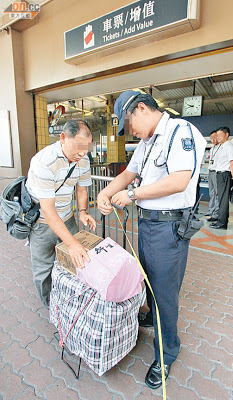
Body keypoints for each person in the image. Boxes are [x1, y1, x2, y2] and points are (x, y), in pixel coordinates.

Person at [97, 91, 206, 389]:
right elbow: (130, 173)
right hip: (147, 225)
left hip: (168, 228)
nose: (130, 132)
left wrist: (132, 195)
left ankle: (167, 351)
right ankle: (153, 317)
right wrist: (105, 193)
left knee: (164, 293)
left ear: (141, 108)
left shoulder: (179, 132)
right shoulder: (148, 142)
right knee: (147, 279)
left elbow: (179, 180)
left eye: (129, 124)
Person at [26, 120, 96, 309]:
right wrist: (71, 244)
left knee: (75, 263)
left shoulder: (83, 159)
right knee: (43, 269)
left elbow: (82, 189)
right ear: (63, 138)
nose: (81, 154)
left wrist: (82, 212)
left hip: (67, 218)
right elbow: (48, 211)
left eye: (85, 149)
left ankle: (71, 302)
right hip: (41, 223)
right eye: (77, 149)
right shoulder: (43, 162)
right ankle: (52, 309)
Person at [210, 126, 233, 230]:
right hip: (220, 175)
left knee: (223, 199)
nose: (218, 137)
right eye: (217, 136)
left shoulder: (228, 147)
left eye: (220, 135)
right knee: (221, 199)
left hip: (225, 175)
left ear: (227, 135)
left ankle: (222, 223)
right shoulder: (222, 147)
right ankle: (220, 220)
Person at [205, 130, 221, 221]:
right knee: (212, 192)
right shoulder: (212, 149)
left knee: (217, 193)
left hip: (217, 172)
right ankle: (210, 210)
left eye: (214, 138)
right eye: (211, 139)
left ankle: (216, 212)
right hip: (210, 171)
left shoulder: (221, 148)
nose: (213, 140)